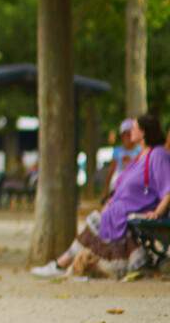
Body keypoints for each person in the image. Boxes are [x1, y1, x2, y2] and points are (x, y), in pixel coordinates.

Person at [32, 111, 170, 279]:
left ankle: (61, 264)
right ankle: (65, 264)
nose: (130, 132)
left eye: (133, 128)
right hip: (120, 209)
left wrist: (158, 212)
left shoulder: (158, 155)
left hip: (137, 209)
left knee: (95, 221)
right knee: (97, 220)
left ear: (144, 132)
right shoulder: (141, 155)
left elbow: (167, 187)